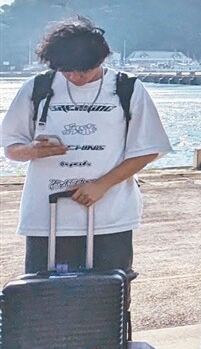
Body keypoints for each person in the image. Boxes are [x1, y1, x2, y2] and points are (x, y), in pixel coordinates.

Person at [2, 18, 171, 275]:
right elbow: (11, 147)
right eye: (67, 71)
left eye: (84, 71)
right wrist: (33, 151)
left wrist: (101, 185)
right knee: (46, 299)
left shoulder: (126, 88)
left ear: (102, 60)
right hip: (47, 217)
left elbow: (147, 149)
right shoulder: (38, 87)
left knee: (108, 297)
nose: (76, 78)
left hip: (110, 218)